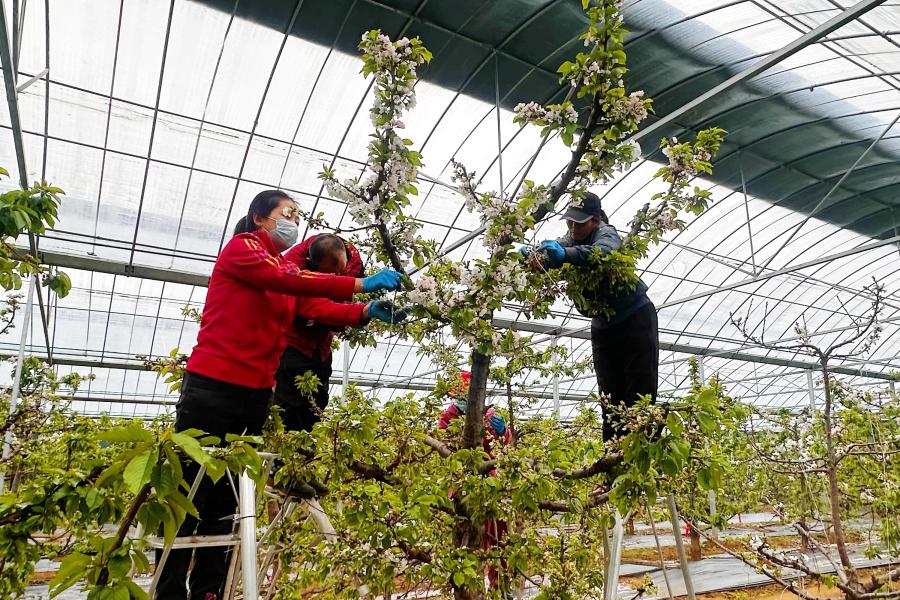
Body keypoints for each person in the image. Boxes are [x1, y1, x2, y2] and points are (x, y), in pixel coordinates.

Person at [155, 190, 403, 600]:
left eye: (297, 216)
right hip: (213, 386)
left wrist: (362, 312)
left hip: (254, 394)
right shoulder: (244, 250)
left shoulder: (284, 272)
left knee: (228, 496)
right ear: (258, 217)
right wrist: (359, 284)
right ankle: (169, 590)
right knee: (189, 489)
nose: (293, 221)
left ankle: (208, 590)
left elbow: (311, 306)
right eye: (286, 213)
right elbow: (287, 278)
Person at [272, 233, 407, 495]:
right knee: (290, 408)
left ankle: (303, 469)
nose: (338, 277)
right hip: (293, 345)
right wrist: (362, 311)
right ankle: (283, 470)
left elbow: (347, 288)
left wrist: (359, 296)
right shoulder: (290, 266)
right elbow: (315, 308)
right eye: (329, 274)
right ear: (313, 263)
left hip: (320, 346)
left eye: (341, 271)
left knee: (316, 405)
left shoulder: (352, 256)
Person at [531, 191, 658, 441]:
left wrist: (565, 255)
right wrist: (536, 256)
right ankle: (612, 463)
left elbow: (602, 254)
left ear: (596, 219)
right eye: (570, 222)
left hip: (635, 318)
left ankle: (642, 452)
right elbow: (558, 248)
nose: (573, 228)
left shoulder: (606, 234)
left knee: (639, 392)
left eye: (579, 223)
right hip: (603, 323)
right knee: (609, 397)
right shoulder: (571, 237)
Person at [437, 371, 510, 591]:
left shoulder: (488, 414)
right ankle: (470, 587)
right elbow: (444, 449)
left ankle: (500, 587)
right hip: (463, 484)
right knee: (469, 538)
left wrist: (503, 432)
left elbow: (503, 447)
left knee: (500, 535)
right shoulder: (449, 417)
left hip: (490, 480)